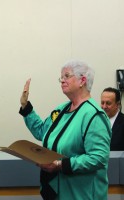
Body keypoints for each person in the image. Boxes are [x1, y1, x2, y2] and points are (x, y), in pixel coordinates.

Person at [19, 60, 111, 200]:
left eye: (67, 76)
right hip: (57, 191)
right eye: (61, 77)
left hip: (81, 194)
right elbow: (42, 131)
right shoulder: (62, 109)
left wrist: (60, 165)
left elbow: (98, 158)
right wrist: (25, 106)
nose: (62, 80)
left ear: (82, 81)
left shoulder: (94, 115)